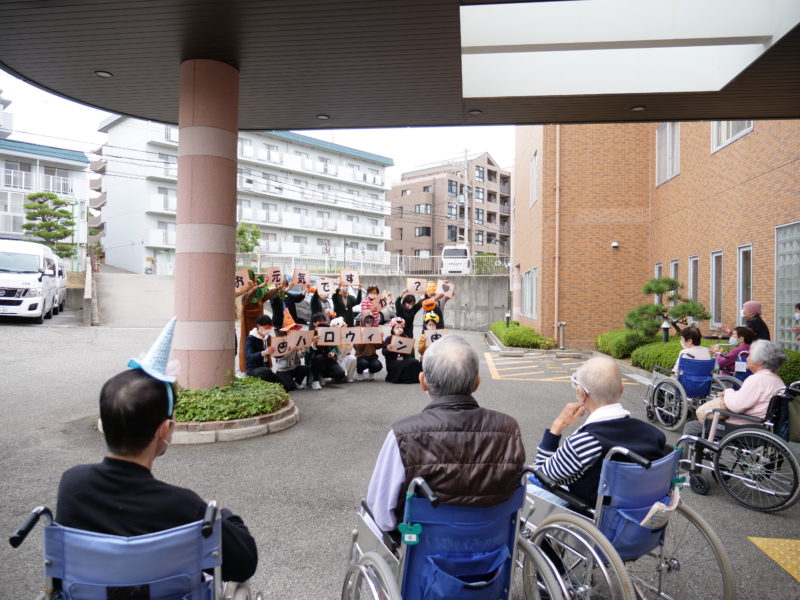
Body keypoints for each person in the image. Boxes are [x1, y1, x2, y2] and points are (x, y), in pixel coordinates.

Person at [56, 319, 258, 584]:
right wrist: (229, 517)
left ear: (104, 425)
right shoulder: (183, 507)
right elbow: (244, 563)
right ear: (164, 430)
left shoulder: (72, 485)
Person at [365, 335, 526, 533]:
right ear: (476, 383)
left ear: (423, 382)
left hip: (422, 553)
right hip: (492, 548)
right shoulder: (509, 429)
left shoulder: (403, 435)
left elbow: (381, 516)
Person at [532, 355, 667, 506]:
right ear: (621, 390)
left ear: (581, 394)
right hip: (637, 512)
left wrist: (557, 426)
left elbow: (541, 476)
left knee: (527, 486)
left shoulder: (585, 442)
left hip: (591, 515)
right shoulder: (653, 434)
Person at [684, 340, 787, 439]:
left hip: (744, 427)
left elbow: (736, 406)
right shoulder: (777, 380)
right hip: (762, 427)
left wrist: (728, 392)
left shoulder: (757, 379)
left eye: (750, 355)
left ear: (760, 361)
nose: (747, 358)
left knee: (691, 427)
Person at [306, 312, 346, 390]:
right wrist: (313, 343)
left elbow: (335, 346)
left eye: (323, 321)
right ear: (314, 323)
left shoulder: (330, 331)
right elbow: (307, 353)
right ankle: (315, 380)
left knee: (340, 374)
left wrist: (333, 352)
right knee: (319, 357)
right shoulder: (310, 334)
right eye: (319, 321)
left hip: (328, 360)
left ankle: (323, 375)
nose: (322, 323)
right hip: (314, 362)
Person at [271, 316, 308, 391]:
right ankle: (283, 380)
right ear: (287, 331)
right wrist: (290, 350)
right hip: (284, 369)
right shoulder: (282, 342)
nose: (294, 330)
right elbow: (280, 357)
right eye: (291, 329)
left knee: (305, 369)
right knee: (290, 387)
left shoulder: (298, 340)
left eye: (294, 328)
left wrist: (303, 350)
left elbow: (300, 356)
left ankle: (297, 382)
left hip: (295, 367)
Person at [243, 314, 281, 384]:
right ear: (258, 326)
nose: (268, 330)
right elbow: (249, 356)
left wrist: (283, 351)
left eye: (270, 328)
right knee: (266, 372)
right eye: (266, 327)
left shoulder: (268, 337)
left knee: (285, 386)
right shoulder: (250, 339)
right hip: (253, 368)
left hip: (266, 368)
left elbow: (276, 355)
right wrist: (263, 353)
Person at [382, 317, 422, 384]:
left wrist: (410, 345)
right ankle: (400, 379)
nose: (399, 329)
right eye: (397, 327)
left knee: (415, 362)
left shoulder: (405, 337)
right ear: (393, 329)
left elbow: (408, 353)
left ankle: (414, 379)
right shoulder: (389, 338)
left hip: (404, 358)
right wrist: (388, 349)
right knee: (402, 364)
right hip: (393, 360)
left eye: (400, 327)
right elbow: (383, 352)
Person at [353, 311, 383, 380]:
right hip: (360, 357)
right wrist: (364, 338)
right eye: (367, 321)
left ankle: (371, 371)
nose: (369, 323)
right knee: (363, 363)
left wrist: (380, 339)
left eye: (370, 321)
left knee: (378, 365)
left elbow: (378, 347)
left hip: (372, 357)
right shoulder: (358, 331)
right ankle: (359, 372)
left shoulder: (374, 330)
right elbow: (357, 348)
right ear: (363, 321)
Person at [330, 316, 357, 382]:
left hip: (345, 357)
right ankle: (335, 376)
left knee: (353, 358)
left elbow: (348, 350)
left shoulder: (348, 335)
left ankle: (349, 376)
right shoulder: (331, 336)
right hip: (335, 359)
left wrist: (346, 344)